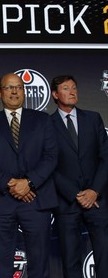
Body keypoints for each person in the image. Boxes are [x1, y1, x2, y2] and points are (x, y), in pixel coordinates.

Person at [0, 73, 58, 278]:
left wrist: (29, 183)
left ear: (24, 91)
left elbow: (52, 156)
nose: (14, 92)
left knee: (39, 262)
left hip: (36, 200)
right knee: (1, 263)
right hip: (1, 201)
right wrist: (11, 184)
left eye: (19, 87)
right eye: (9, 87)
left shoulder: (42, 120)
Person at [50, 75, 108, 278]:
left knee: (104, 257)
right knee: (70, 259)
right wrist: (75, 194)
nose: (72, 91)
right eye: (66, 88)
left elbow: (105, 157)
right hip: (67, 203)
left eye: (74, 87)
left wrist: (94, 191)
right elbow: (49, 165)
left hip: (97, 201)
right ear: (55, 95)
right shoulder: (46, 125)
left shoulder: (93, 118)